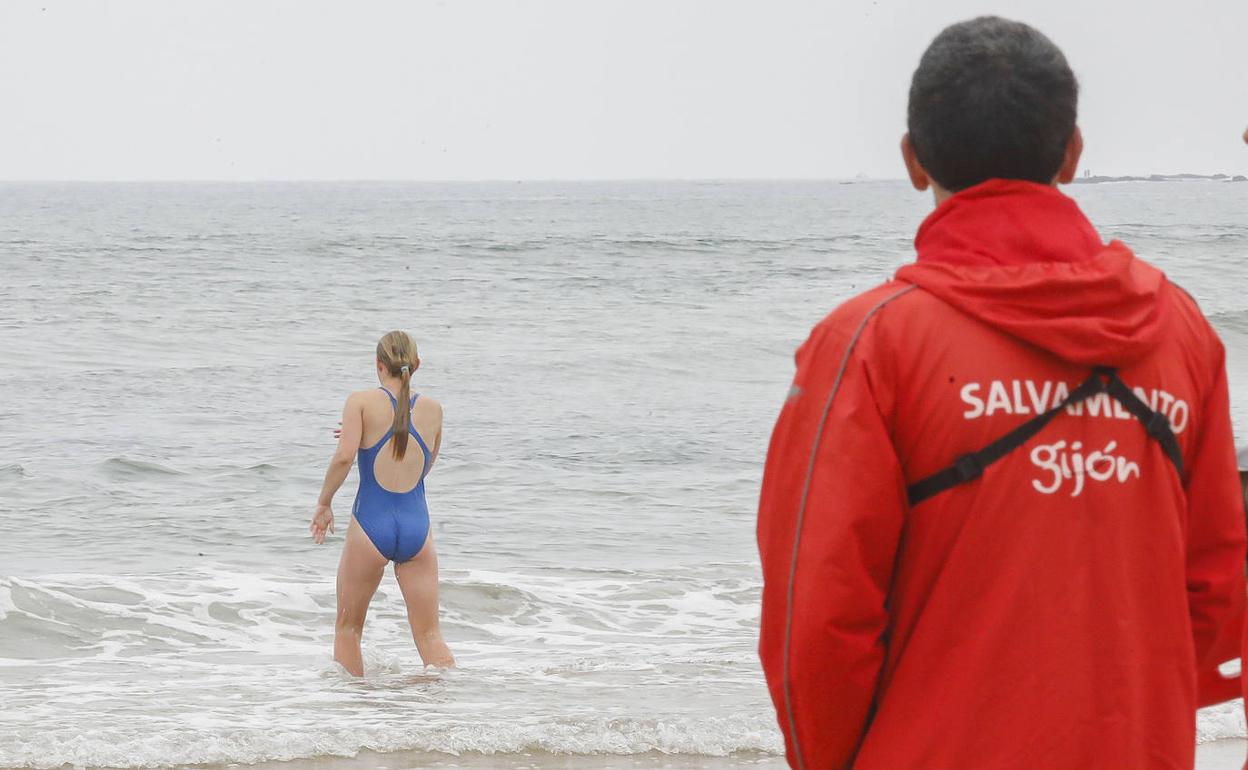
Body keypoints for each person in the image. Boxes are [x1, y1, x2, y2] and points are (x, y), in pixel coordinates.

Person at [756, 16, 1246, 770]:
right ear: (1073, 154)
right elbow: (1216, 596)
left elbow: (816, 622)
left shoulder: (869, 344)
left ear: (914, 161)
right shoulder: (1181, 332)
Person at [310, 330, 455, 675]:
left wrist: (324, 503)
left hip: (370, 527)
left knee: (348, 631)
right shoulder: (434, 410)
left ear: (378, 365)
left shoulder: (359, 402)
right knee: (430, 635)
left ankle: (357, 719)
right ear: (416, 365)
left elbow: (345, 457)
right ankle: (452, 709)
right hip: (417, 528)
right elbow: (422, 467)